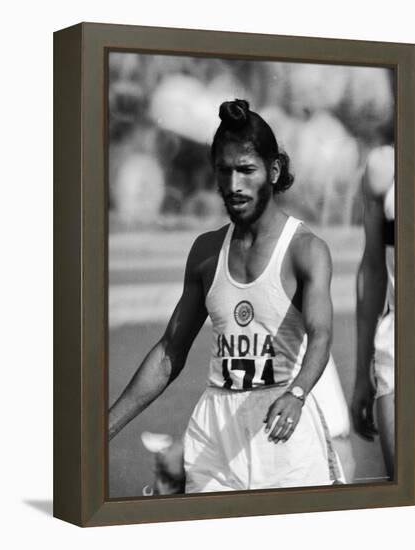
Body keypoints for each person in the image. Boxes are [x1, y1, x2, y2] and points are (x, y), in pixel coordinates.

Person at [109, 99, 343, 492]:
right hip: (214, 436)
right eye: (225, 170)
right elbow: (169, 354)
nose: (233, 185)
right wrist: (105, 427)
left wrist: (298, 393)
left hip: (284, 430)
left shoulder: (306, 249)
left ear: (273, 171)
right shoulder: (205, 252)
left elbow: (320, 335)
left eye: (246, 170)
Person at [351, 145, 395, 479]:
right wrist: (360, 376)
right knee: (406, 496)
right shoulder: (383, 166)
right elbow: (373, 270)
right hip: (398, 348)